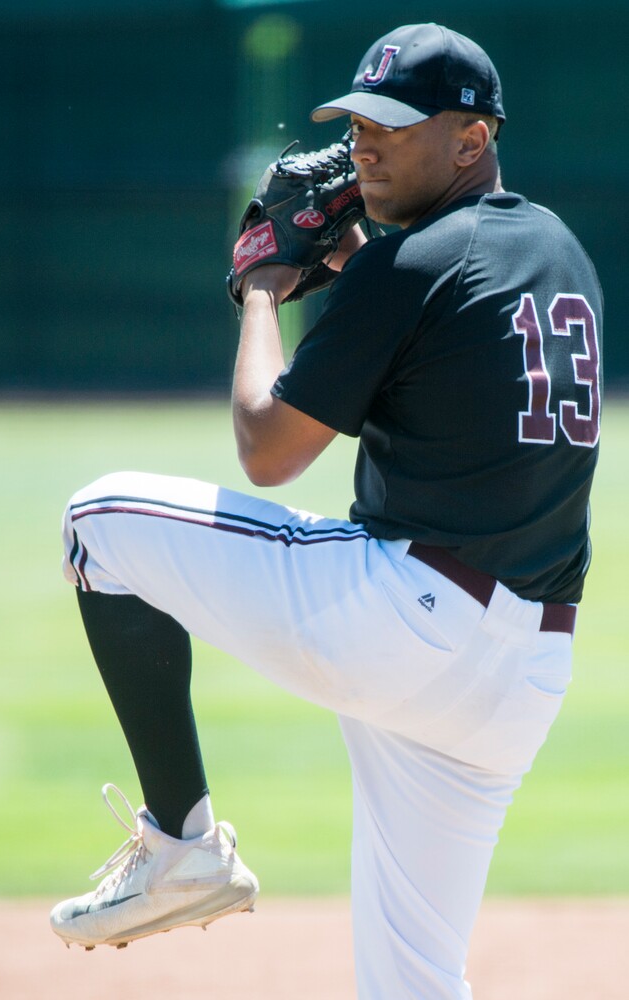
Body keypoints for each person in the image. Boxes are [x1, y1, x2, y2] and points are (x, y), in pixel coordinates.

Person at [50, 22, 603, 999]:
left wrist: (261, 289)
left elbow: (269, 450)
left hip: (410, 621)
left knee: (99, 522)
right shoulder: (556, 252)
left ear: (470, 140)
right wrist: (350, 255)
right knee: (411, 981)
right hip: (522, 673)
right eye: (355, 124)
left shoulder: (411, 267)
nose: (364, 145)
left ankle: (181, 843)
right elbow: (441, 333)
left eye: (392, 127)